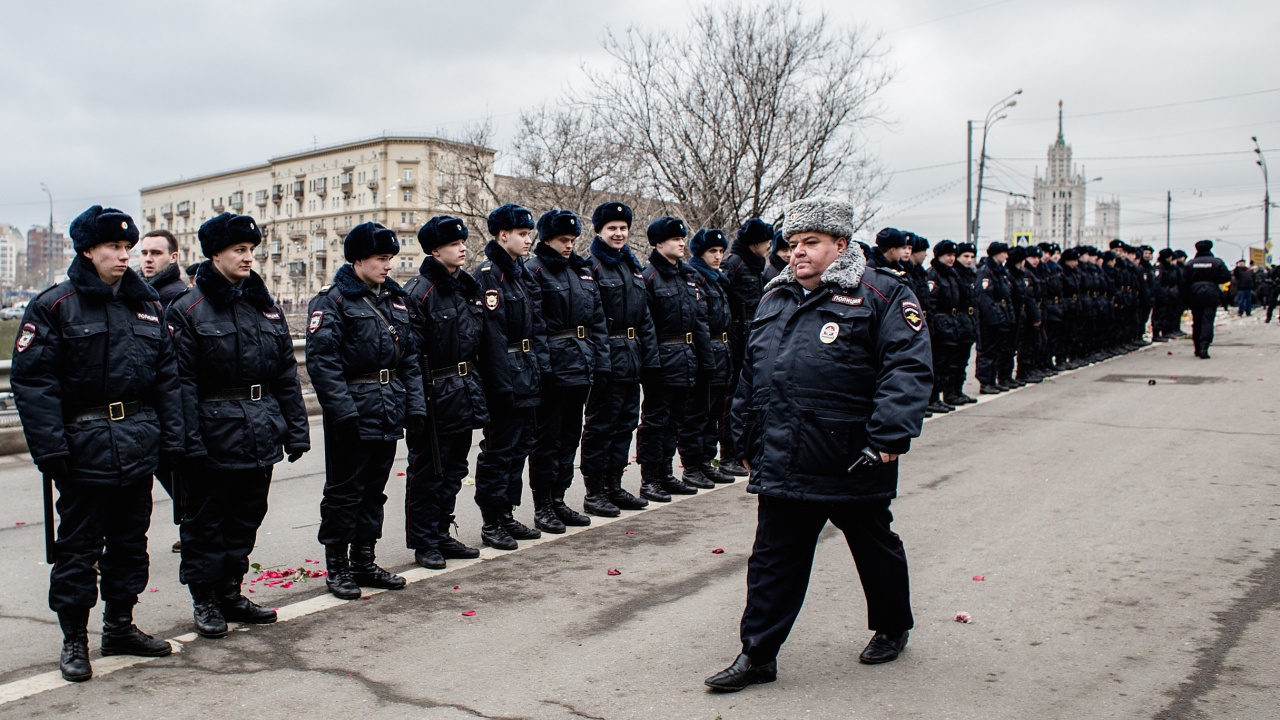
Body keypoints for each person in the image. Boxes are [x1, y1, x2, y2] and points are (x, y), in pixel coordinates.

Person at [706, 197, 931, 692]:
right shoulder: (774, 298)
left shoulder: (883, 294)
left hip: (852, 455)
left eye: (811, 243)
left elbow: (907, 368)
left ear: (841, 246)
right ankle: (758, 654)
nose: (798, 254)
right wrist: (743, 434)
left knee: (874, 547)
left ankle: (892, 626)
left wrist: (889, 437)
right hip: (784, 453)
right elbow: (751, 373)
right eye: (792, 244)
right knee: (773, 557)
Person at [11, 205, 183, 682]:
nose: (124, 256)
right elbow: (33, 383)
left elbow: (166, 378)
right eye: (114, 247)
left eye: (128, 248)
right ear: (88, 250)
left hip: (138, 442)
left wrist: (171, 439)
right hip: (83, 447)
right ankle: (74, 639)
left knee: (130, 544)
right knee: (78, 548)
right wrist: (51, 450)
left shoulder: (146, 303)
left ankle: (120, 626)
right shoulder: (54, 305)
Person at [167, 212, 310, 637]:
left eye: (251, 251)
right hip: (213, 434)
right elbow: (181, 384)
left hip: (259, 428)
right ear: (215, 254)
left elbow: (285, 372)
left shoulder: (263, 306)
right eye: (239, 251)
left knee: (246, 517)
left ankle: (231, 591)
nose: (248, 259)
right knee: (206, 522)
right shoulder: (188, 310)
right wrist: (189, 443)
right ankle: (205, 599)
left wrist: (296, 428)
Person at [307, 221, 426, 598]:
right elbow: (322, 364)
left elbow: (407, 358)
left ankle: (364, 560)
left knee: (374, 491)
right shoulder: (333, 300)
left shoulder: (394, 299)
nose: (388, 265)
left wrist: (415, 407)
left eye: (390, 258)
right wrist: (343, 412)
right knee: (344, 491)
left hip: (388, 406)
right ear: (358, 260)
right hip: (354, 409)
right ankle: (337, 567)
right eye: (380, 258)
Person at [402, 216, 491, 569]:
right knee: (428, 470)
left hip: (464, 388)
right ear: (435, 250)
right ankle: (424, 542)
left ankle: (441, 531)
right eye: (454, 244)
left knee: (454, 468)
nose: (462, 248)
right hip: (435, 391)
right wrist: (418, 403)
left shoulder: (465, 288)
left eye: (463, 242)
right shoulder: (420, 292)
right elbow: (411, 354)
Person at [524, 209, 609, 533]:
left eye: (573, 240)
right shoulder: (535, 270)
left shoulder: (583, 271)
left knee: (570, 437)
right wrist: (544, 367)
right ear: (546, 239)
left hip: (581, 364)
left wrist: (601, 362)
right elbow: (536, 325)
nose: (569, 245)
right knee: (547, 439)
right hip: (554, 367)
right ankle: (543, 505)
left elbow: (597, 321)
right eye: (563, 240)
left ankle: (558, 499)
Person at [473, 204, 547, 549]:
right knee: (499, 450)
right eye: (522, 233)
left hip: (526, 371)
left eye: (529, 233)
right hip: (507, 375)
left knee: (519, 447)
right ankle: (492, 519)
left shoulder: (520, 272)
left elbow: (536, 325)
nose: (528, 239)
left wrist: (540, 369)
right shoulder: (490, 275)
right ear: (503, 235)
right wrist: (501, 385)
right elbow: (493, 336)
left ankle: (506, 512)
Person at [580, 202, 658, 515]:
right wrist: (600, 362)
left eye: (623, 228)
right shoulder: (591, 268)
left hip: (632, 356)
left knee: (624, 424)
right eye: (612, 228)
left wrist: (650, 358)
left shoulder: (632, 267)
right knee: (601, 425)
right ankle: (594, 491)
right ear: (599, 231)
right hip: (607, 357)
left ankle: (613, 484)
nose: (619, 233)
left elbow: (645, 318)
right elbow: (592, 319)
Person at [637, 216, 713, 501]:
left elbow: (700, 321)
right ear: (658, 243)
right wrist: (652, 363)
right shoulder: (649, 277)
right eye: (674, 239)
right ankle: (650, 478)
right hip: (663, 358)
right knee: (655, 421)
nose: (682, 243)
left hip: (687, 357)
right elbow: (647, 325)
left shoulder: (688, 276)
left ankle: (666, 473)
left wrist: (705, 361)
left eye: (682, 238)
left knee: (675, 420)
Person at [679, 228, 736, 485]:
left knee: (714, 413)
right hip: (706, 351)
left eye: (721, 251)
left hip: (722, 350)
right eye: (713, 251)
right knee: (697, 413)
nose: (718, 256)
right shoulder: (696, 278)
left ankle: (705, 461)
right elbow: (700, 322)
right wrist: (706, 359)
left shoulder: (716, 279)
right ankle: (692, 466)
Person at [719, 218, 773, 476]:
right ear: (755, 243)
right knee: (731, 399)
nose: (769, 246)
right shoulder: (734, 264)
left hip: (754, 335)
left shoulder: (756, 266)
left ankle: (743, 451)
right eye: (766, 241)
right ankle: (727, 455)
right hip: (735, 339)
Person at [926, 240, 963, 413]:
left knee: (947, 364)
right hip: (940, 327)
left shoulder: (951, 275)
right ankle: (932, 398)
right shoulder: (934, 275)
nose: (951, 259)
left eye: (954, 255)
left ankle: (941, 396)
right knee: (937, 364)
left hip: (951, 325)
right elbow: (931, 304)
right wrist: (935, 328)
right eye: (948, 255)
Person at [975, 242, 1016, 394]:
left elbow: (1007, 296)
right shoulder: (986, 272)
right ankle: (986, 382)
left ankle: (993, 380)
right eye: (1004, 253)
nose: (1006, 256)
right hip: (991, 319)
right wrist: (993, 319)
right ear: (996, 254)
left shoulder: (1001, 272)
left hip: (1001, 315)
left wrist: (1008, 317)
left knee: (997, 350)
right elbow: (984, 298)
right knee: (987, 351)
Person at [1181, 239, 1230, 359]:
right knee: (1207, 320)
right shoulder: (1217, 262)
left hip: (1194, 294)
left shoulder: (1190, 263)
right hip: (1211, 293)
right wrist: (1214, 280)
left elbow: (1183, 281)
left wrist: (1185, 297)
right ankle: (1204, 345)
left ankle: (1197, 347)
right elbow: (1226, 277)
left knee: (1197, 320)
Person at [947, 242, 980, 404]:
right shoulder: (955, 274)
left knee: (962, 360)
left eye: (972, 257)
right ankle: (950, 393)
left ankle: (958, 391)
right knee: (953, 361)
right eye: (965, 256)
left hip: (968, 321)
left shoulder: (970, 275)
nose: (969, 260)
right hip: (957, 322)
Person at [138, 229, 186, 306]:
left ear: (173, 257)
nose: (148, 259)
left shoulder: (177, 295)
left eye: (156, 253)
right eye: (144, 253)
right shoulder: (133, 287)